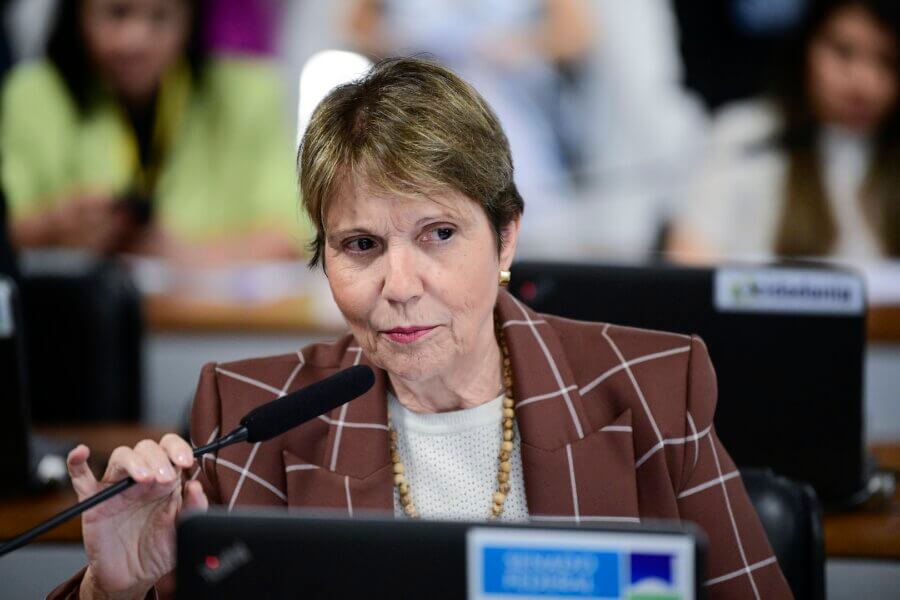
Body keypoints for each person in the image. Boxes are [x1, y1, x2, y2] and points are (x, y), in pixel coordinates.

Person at [49, 58, 791, 599]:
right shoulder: (249, 419)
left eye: (438, 233)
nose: (398, 288)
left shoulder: (650, 390)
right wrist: (112, 593)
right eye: (361, 245)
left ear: (505, 239)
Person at [1, 0, 305, 263]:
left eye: (160, 17)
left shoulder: (246, 95)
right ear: (78, 14)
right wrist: (52, 228)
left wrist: (182, 256)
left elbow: (295, 235)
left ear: (190, 20)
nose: (135, 39)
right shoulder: (31, 95)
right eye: (117, 13)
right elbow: (10, 224)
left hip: (208, 325)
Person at [669, 0, 900, 263]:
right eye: (843, 52)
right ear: (806, 47)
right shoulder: (749, 138)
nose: (863, 82)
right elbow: (690, 267)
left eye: (887, 62)